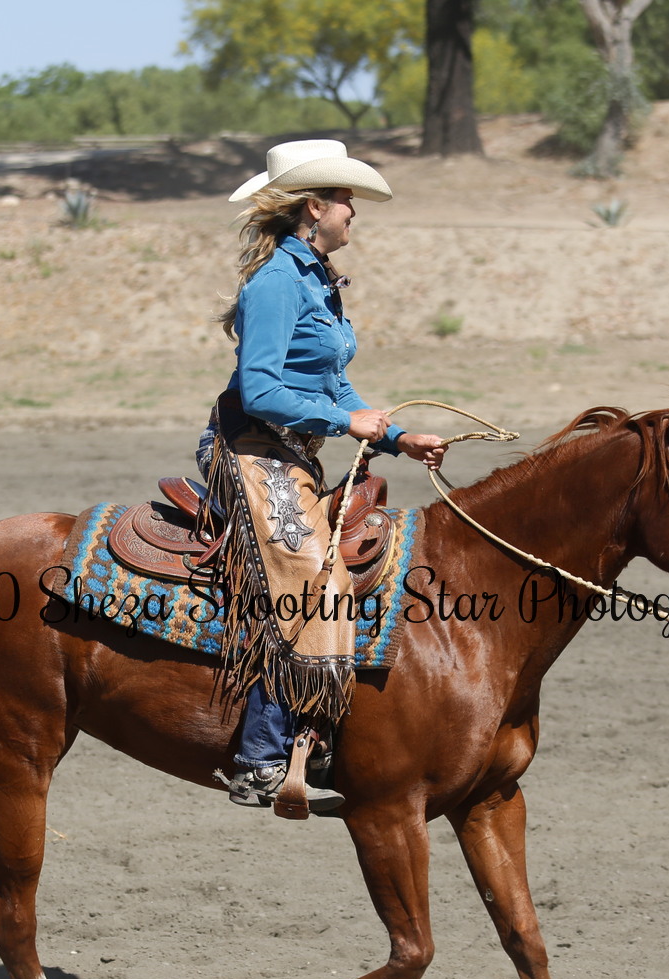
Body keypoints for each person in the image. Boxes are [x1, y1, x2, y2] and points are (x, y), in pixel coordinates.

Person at [201, 140, 447, 808]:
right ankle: (260, 758)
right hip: (248, 447)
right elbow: (260, 390)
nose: (352, 213)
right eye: (345, 201)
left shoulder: (316, 279)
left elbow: (334, 385)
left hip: (290, 452)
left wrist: (396, 436)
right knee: (315, 576)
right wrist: (348, 424)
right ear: (314, 207)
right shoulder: (278, 282)